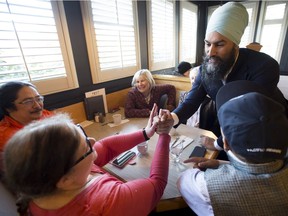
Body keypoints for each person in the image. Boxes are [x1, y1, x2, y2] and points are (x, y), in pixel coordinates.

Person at [3, 104, 175, 216]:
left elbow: (106, 147)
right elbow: (157, 184)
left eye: (83, 134)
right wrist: (164, 135)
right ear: (65, 180)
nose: (93, 141)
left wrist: (146, 132)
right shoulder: (110, 202)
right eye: (86, 147)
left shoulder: (42, 185)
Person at [171, 2, 288, 152]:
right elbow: (191, 101)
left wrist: (216, 144)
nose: (210, 52)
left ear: (235, 45)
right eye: (207, 44)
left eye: (219, 44)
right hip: (230, 132)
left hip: (268, 133)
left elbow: (250, 115)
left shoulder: (264, 66)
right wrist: (172, 118)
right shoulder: (205, 69)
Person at [177, 80, 288, 215]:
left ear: (225, 143)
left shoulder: (204, 185)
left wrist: (218, 168)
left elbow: (182, 181)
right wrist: (220, 163)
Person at [0, 81, 53, 174]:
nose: (37, 105)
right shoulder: (6, 136)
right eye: (28, 102)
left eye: (38, 99)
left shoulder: (45, 114)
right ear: (8, 107)